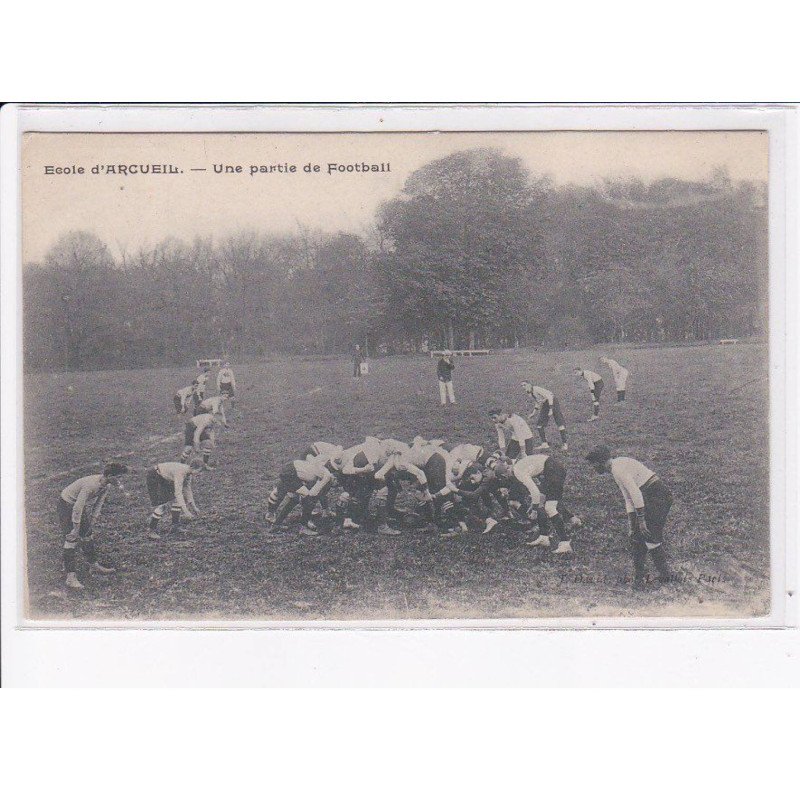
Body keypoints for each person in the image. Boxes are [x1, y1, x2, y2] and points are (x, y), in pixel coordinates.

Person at [585, 445, 672, 589]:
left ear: (600, 462)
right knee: (637, 538)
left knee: (649, 536)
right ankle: (640, 578)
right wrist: (632, 525)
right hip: (650, 496)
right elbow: (629, 498)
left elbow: (635, 494)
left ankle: (665, 576)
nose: (593, 468)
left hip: (657, 496)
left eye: (593, 464)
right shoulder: (615, 467)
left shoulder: (618, 469)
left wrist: (642, 520)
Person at [58, 462, 129, 589]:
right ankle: (70, 577)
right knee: (71, 538)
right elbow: (77, 508)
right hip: (66, 504)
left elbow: (98, 504)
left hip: (77, 506)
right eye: (118, 477)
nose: (120, 481)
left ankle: (93, 566)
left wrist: (92, 522)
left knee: (87, 535)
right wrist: (75, 528)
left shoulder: (106, 485)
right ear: (110, 476)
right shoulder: (91, 485)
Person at [512, 454, 573, 553]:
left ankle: (565, 543)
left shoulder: (518, 473)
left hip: (552, 470)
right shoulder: (517, 467)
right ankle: (544, 537)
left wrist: (535, 510)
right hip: (550, 468)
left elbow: (534, 491)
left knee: (550, 508)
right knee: (541, 501)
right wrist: (535, 504)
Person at [265, 455, 334, 535]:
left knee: (295, 499)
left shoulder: (321, 464)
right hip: (291, 474)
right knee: (308, 499)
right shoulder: (327, 475)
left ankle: (276, 524)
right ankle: (303, 528)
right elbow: (313, 494)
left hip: (290, 469)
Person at [146, 458, 205, 540]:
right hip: (155, 475)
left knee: (177, 501)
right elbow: (178, 493)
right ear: (192, 468)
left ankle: (175, 526)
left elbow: (187, 490)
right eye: (199, 471)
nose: (199, 474)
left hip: (165, 478)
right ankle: (151, 530)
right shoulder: (180, 472)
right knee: (163, 505)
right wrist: (186, 511)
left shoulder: (188, 473)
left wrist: (194, 507)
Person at [521, 382, 568, 451]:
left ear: (529, 384)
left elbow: (549, 396)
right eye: (522, 386)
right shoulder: (531, 392)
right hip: (545, 404)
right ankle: (544, 444)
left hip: (553, 401)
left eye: (525, 384)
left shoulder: (536, 388)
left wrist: (551, 409)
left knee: (559, 423)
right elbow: (538, 402)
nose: (523, 386)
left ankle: (565, 444)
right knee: (539, 425)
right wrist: (533, 413)